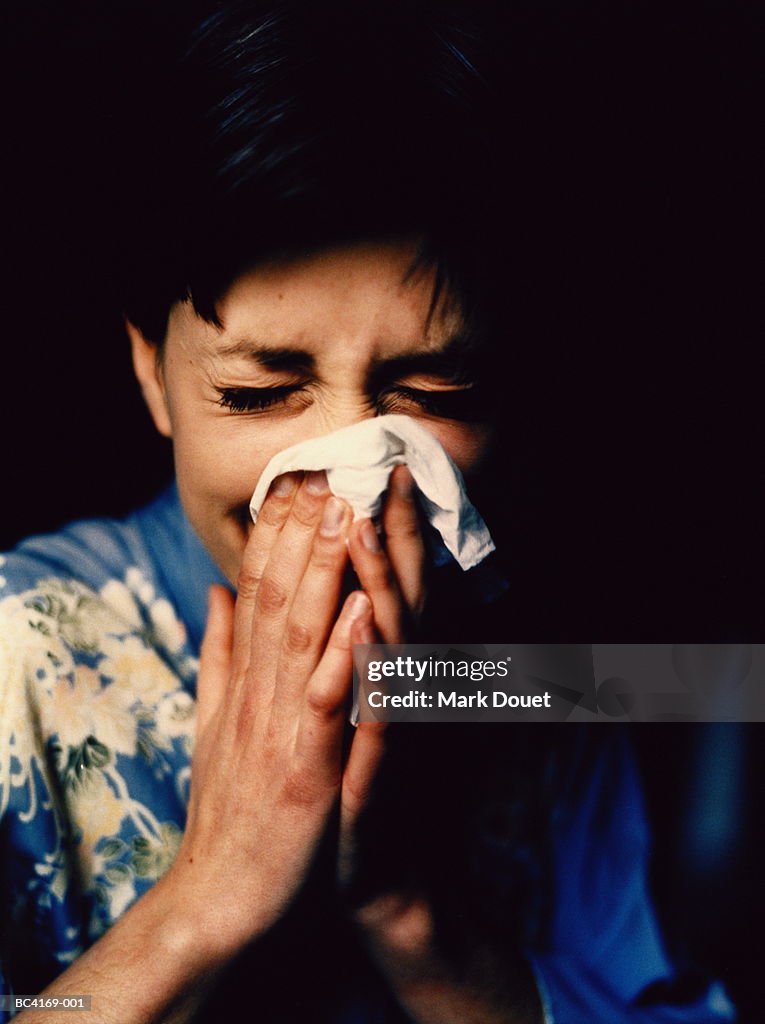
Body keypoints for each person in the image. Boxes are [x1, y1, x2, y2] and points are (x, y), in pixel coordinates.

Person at [0, 2, 739, 1021]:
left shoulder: (554, 692)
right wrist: (205, 898)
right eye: (259, 394)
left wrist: (413, 913)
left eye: (434, 401)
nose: (355, 485)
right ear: (152, 373)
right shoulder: (18, 666)